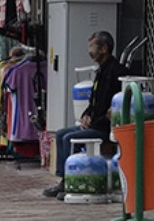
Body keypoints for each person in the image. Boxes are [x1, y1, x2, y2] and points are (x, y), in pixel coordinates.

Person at [44, 30, 123, 196]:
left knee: (68, 138)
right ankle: (64, 179)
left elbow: (112, 107)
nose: (89, 52)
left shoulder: (116, 71)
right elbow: (94, 102)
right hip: (94, 122)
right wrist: (86, 114)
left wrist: (96, 120)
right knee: (60, 134)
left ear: (104, 49)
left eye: (92, 47)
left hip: (104, 127)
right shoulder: (100, 71)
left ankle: (70, 182)